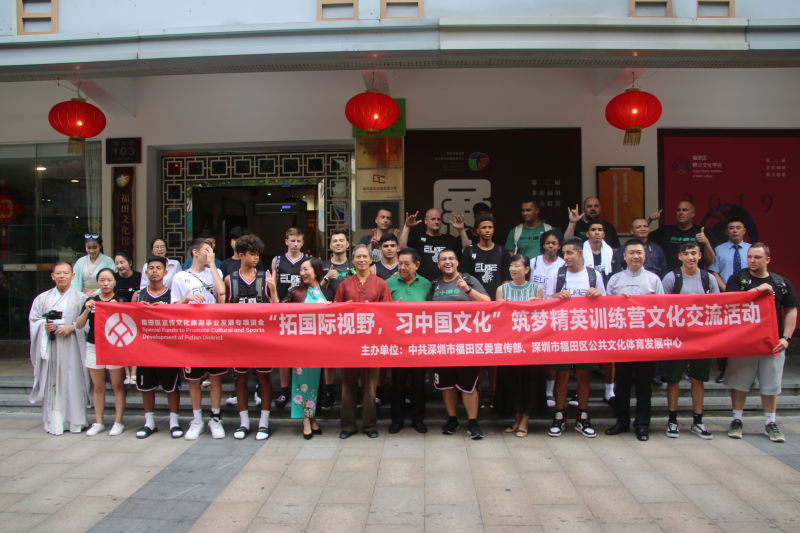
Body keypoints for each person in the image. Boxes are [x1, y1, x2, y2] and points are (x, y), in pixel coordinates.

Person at [724, 242, 798, 443]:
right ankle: (737, 419)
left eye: (757, 257)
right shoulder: (738, 279)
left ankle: (770, 422)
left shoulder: (780, 282)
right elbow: (730, 301)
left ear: (768, 260)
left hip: (772, 343)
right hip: (744, 343)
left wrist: (786, 338)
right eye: (749, 257)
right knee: (739, 382)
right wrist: (757, 290)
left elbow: (791, 309)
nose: (752, 261)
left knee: (771, 384)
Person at [604, 239, 665, 442]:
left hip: (645, 342)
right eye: (631, 253)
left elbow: (661, 309)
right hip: (622, 342)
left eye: (639, 252)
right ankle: (622, 421)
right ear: (624, 256)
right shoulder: (615, 280)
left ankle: (642, 425)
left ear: (645, 256)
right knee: (621, 384)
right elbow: (605, 310)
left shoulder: (653, 280)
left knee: (644, 386)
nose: (635, 256)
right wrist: (618, 301)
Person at [544, 238, 604, 439]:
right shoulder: (557, 274)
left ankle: (583, 416)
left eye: (569, 253)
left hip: (586, 335)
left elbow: (606, 303)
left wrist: (598, 294)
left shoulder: (594, 275)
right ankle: (559, 416)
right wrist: (556, 297)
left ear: (580, 253)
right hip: (562, 334)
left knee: (583, 376)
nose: (566, 257)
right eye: (564, 254)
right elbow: (545, 301)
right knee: (561, 376)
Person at [269, 257, 333, 440]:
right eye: (301, 270)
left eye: (306, 269)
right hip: (301, 346)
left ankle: (312, 417)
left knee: (316, 384)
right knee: (302, 383)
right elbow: (279, 310)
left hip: (320, 347)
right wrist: (273, 289)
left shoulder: (327, 292)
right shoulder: (296, 291)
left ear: (316, 271)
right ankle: (305, 419)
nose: (303, 273)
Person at [334, 244, 393, 439]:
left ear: (370, 260)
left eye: (364, 257)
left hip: (372, 342)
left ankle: (369, 425)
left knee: (370, 387)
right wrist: (344, 307)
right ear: (352, 261)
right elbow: (335, 310)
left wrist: (374, 309)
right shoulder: (344, 284)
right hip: (349, 343)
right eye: (358, 257)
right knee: (348, 386)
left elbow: (388, 312)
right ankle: (348, 425)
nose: (361, 260)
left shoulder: (380, 284)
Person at [661, 242, 720, 439]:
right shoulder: (672, 278)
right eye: (686, 254)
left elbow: (717, 306)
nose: (690, 257)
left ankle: (698, 420)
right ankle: (672, 420)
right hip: (677, 337)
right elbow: (662, 308)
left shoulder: (708, 278)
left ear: (700, 256)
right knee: (673, 380)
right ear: (680, 257)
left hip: (701, 337)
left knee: (698, 379)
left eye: (693, 253)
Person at [431, 248, 491, 440]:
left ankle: (472, 422)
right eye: (443, 259)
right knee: (446, 385)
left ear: (457, 262)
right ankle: (452, 419)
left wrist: (468, 290)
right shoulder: (435, 285)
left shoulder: (469, 280)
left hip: (466, 343)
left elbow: (487, 302)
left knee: (469, 385)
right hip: (441, 344)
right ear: (438, 264)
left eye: (451, 258)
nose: (447, 262)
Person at [171, 238, 227, 440]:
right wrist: (186, 300)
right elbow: (173, 308)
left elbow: (222, 294)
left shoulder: (216, 272)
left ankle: (215, 418)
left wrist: (212, 264)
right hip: (191, 334)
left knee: (215, 377)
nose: (210, 253)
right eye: (206, 250)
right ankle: (197, 419)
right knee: (193, 380)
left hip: (214, 333)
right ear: (195, 252)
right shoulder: (180, 277)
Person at [29, 262, 89, 435]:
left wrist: (72, 327)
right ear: (52, 276)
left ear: (73, 276)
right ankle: (54, 422)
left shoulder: (81, 299)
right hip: (52, 345)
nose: (62, 276)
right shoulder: (43, 298)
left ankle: (76, 422)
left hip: (73, 346)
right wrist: (44, 326)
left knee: (73, 381)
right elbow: (34, 320)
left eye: (65, 273)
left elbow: (89, 325)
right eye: (58, 273)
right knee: (52, 382)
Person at [460, 214, 510, 408]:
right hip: (475, 310)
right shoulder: (469, 252)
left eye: (490, 227)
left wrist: (499, 304)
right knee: (478, 353)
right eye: (484, 227)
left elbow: (505, 281)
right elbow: (464, 280)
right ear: (476, 231)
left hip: (496, 309)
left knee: (495, 354)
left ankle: (495, 394)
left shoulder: (502, 251)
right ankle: (478, 393)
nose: (487, 230)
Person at [226, 234, 273, 441]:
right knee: (241, 379)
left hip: (262, 338)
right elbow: (223, 309)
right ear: (241, 255)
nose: (256, 258)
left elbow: (276, 309)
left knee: (264, 378)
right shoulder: (230, 279)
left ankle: (264, 422)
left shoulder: (265, 278)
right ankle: (244, 422)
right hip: (240, 339)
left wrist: (273, 289)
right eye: (252, 254)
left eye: (258, 254)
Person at [131, 256, 183, 439]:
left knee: (171, 387)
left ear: (165, 272)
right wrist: (139, 309)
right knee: (147, 387)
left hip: (167, 348)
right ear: (146, 272)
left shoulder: (172, 295)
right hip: (145, 348)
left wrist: (167, 310)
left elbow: (179, 320)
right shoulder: (138, 295)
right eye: (151, 268)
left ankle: (174, 422)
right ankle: (149, 422)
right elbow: (131, 321)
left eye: (158, 268)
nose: (154, 271)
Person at [496, 254, 543, 437]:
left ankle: (525, 420)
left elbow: (541, 317)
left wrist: (535, 305)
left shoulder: (536, 289)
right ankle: (516, 417)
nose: (513, 269)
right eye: (511, 266)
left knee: (529, 382)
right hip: (510, 344)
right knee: (513, 382)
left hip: (530, 344)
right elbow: (498, 317)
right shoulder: (502, 289)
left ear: (527, 269)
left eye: (517, 266)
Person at [75, 268, 126, 436]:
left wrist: (117, 307)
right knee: (98, 387)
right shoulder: (91, 301)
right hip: (94, 346)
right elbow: (79, 325)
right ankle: (98, 421)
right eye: (102, 280)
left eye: (109, 280)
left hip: (114, 346)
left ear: (114, 282)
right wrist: (87, 310)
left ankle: (118, 421)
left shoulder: (120, 299)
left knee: (117, 385)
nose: (105, 283)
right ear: (98, 282)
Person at [386, 247, 432, 434]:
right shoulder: (389, 283)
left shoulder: (426, 284)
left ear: (417, 265)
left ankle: (418, 419)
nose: (402, 267)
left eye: (407, 264)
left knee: (418, 382)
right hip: (397, 342)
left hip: (419, 342)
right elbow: (381, 311)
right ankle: (397, 419)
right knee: (397, 382)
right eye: (400, 264)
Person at [271, 227, 310, 409]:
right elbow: (272, 284)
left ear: (302, 243)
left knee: (301, 353)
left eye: (298, 241)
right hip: (283, 311)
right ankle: (284, 390)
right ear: (286, 241)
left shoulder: (308, 260)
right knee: (283, 354)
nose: (295, 244)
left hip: (302, 312)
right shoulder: (277, 260)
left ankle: (300, 388)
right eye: (292, 240)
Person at [709, 217, 750, 381]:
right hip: (725, 296)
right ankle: (724, 370)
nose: (734, 231)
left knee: (746, 334)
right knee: (724, 335)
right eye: (731, 228)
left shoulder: (752, 249)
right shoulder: (719, 250)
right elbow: (714, 271)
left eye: (738, 227)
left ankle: (746, 371)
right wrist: (726, 288)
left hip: (748, 296)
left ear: (744, 231)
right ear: (726, 231)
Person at [531, 229, 565, 408]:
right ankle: (536, 388)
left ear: (559, 246)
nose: (550, 246)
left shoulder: (563, 264)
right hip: (534, 312)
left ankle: (550, 391)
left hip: (554, 312)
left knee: (552, 353)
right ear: (543, 245)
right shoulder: (534, 262)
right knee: (536, 352)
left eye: (554, 243)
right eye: (547, 243)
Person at [320, 230, 353, 410]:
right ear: (330, 245)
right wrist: (326, 278)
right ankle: (328, 391)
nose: (338, 243)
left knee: (350, 355)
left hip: (350, 317)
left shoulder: (354, 264)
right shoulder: (323, 265)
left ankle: (350, 392)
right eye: (335, 241)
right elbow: (315, 291)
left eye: (342, 240)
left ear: (347, 244)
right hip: (329, 316)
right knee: (329, 356)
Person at [399, 208, 470, 281]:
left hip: (445, 283)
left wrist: (461, 230)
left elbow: (467, 250)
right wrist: (407, 227)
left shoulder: (449, 239)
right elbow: (402, 248)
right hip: (423, 283)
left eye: (439, 219)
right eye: (433, 219)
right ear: (426, 221)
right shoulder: (417, 239)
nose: (436, 222)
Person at [649, 200, 716, 272]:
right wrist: (649, 220)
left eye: (685, 210)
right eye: (678, 210)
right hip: (671, 276)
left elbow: (711, 262)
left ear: (692, 214)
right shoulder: (666, 231)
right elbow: (642, 238)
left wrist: (706, 242)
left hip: (694, 276)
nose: (681, 213)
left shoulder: (701, 231)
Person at [113, 250, 141, 385]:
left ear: (130, 262)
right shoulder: (113, 278)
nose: (119, 266)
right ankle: (127, 373)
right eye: (117, 263)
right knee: (122, 342)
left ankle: (134, 373)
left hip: (136, 315)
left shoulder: (139, 277)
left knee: (135, 343)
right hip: (118, 316)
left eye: (122, 262)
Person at [583, 221, 613, 286]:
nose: (597, 232)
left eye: (600, 230)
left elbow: (615, 276)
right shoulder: (580, 253)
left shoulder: (611, 253)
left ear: (603, 234)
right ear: (587, 234)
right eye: (593, 230)